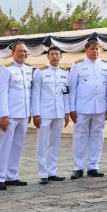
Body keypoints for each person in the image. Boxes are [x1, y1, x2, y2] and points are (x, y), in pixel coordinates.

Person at [0, 42, 34, 189]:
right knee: (5, 145)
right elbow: (1, 94)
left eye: (25, 52)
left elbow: (29, 93)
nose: (23, 54)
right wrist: (3, 115)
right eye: (20, 51)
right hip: (10, 115)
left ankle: (11, 175)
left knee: (17, 145)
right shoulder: (6, 70)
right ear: (13, 52)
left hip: (23, 114)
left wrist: (30, 112)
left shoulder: (29, 69)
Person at [68, 41, 107, 178]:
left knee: (97, 137)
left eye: (97, 49)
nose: (95, 52)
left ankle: (93, 166)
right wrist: (72, 108)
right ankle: (78, 167)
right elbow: (72, 88)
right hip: (82, 108)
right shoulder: (78, 65)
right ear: (86, 51)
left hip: (100, 107)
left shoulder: (106, 66)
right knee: (80, 137)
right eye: (92, 49)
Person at [33, 47, 69, 183]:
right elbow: (35, 94)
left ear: (61, 57)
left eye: (57, 55)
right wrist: (36, 113)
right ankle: (43, 173)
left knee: (54, 143)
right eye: (52, 54)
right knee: (42, 144)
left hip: (59, 112)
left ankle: (52, 171)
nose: (55, 57)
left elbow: (66, 94)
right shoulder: (40, 72)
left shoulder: (65, 73)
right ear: (48, 56)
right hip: (44, 113)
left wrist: (66, 113)